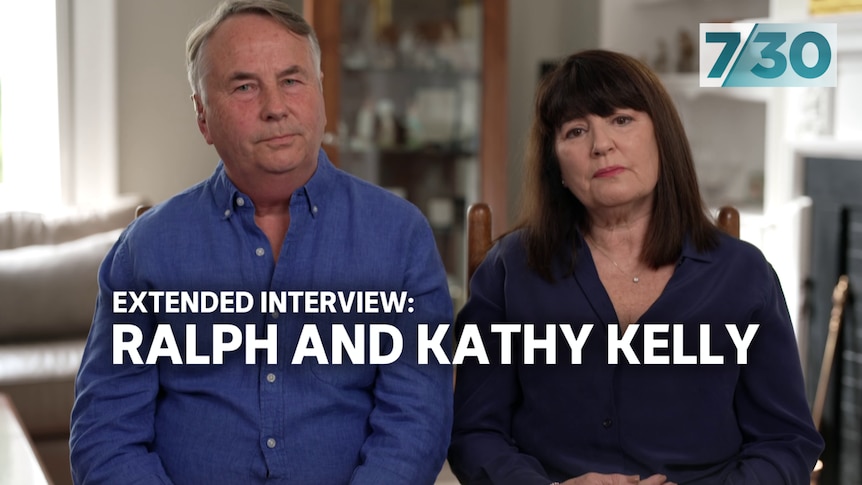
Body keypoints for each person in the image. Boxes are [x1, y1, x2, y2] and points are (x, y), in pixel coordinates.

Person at [69, 1, 453, 483]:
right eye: (245, 86)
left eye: (292, 80)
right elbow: (105, 435)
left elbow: (416, 423)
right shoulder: (146, 250)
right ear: (202, 115)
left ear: (320, 94)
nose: (275, 107)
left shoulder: (400, 238)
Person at [448, 49, 823, 485]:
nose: (601, 144)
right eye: (576, 130)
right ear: (557, 166)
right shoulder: (509, 270)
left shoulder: (744, 274)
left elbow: (786, 442)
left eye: (621, 120)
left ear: (662, 136)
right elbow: (474, 432)